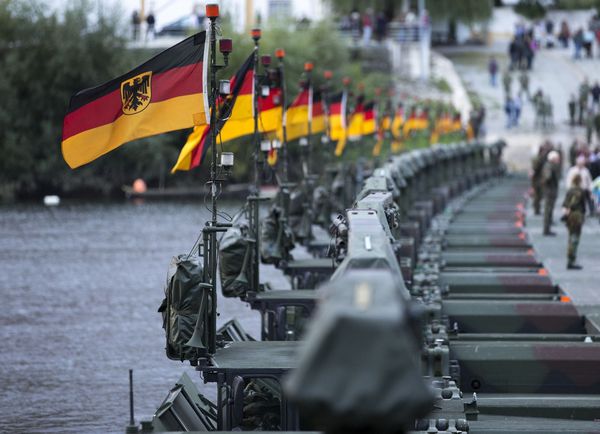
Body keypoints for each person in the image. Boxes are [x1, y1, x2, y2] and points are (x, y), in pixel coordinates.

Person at [561, 174, 587, 269]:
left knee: (570, 237)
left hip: (570, 216)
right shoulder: (581, 191)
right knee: (575, 238)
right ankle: (571, 260)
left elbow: (564, 204)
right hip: (578, 215)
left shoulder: (570, 191)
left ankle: (570, 258)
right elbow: (584, 206)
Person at [542, 150, 561, 236]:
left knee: (550, 210)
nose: (558, 160)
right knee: (548, 210)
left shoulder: (552, 166)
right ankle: (546, 230)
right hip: (549, 191)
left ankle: (548, 228)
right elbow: (547, 177)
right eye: (557, 158)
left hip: (552, 190)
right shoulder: (549, 166)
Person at [531, 141, 552, 215]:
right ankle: (536, 209)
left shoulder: (540, 158)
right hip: (537, 179)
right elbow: (536, 169)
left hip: (539, 179)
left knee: (539, 195)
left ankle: (537, 208)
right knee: (538, 195)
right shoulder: (539, 159)